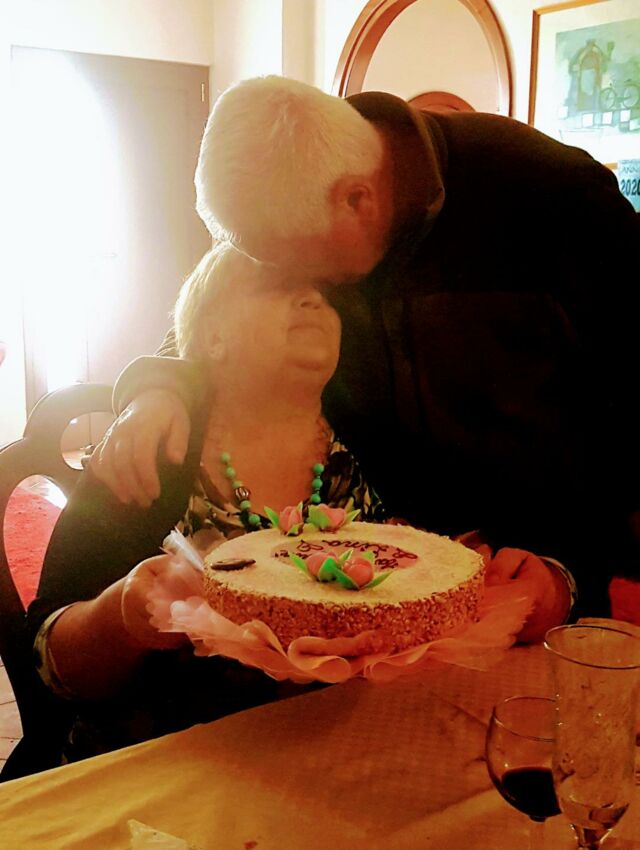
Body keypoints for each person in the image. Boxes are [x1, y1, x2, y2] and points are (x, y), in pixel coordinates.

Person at [92, 76, 640, 620]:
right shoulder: (295, 189)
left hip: (539, 580)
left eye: (290, 263)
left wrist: (569, 571)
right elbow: (213, 309)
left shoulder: (551, 193)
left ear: (357, 200)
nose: (297, 286)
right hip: (388, 588)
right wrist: (159, 388)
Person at [27, 242, 389, 763]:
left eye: (321, 293)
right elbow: (49, 658)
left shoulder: (370, 445)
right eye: (279, 286)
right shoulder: (155, 452)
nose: (313, 299)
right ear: (213, 336)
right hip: (165, 769)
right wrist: (123, 616)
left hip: (343, 751)